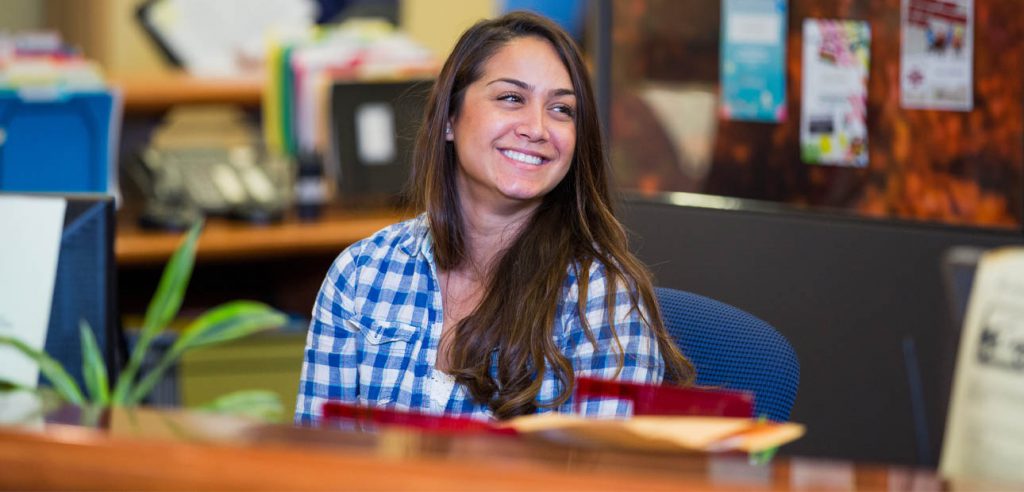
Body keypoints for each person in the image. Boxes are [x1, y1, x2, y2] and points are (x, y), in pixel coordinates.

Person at [295, 11, 694, 424]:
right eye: (511, 98)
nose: (537, 128)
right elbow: (313, 460)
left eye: (561, 109)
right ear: (450, 118)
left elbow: (601, 477)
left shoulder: (600, 300)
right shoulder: (363, 273)